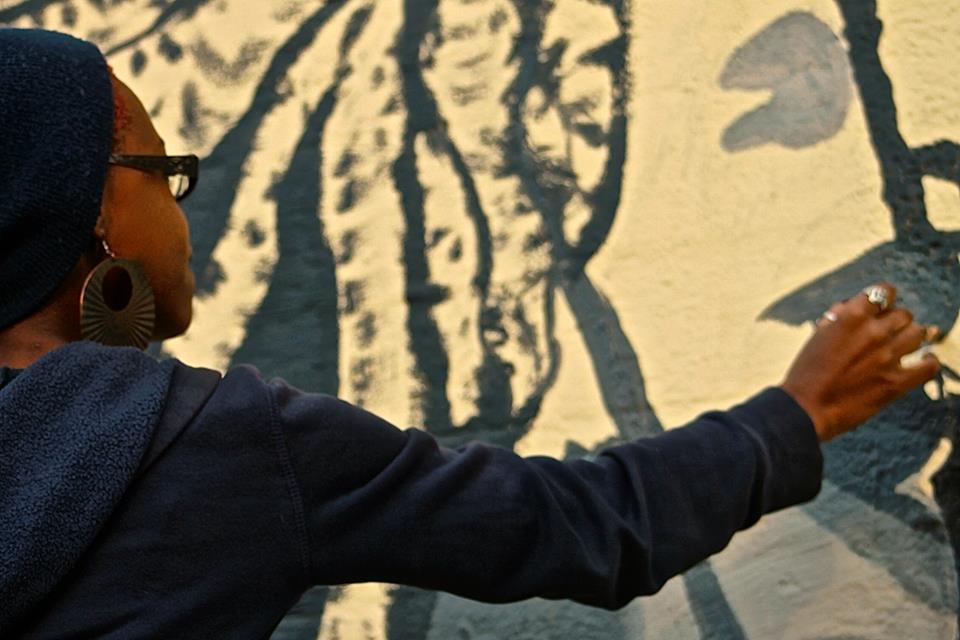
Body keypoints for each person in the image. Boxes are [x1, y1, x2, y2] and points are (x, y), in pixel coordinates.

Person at [0, 28, 941, 639]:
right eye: (167, 172)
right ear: (97, 204)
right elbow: (581, 524)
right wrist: (795, 415)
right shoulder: (217, 446)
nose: (182, 211)